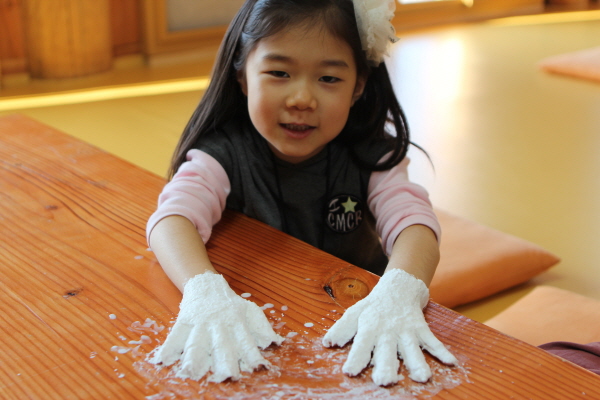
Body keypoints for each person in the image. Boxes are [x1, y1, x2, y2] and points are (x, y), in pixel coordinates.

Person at [146, 0, 457, 387]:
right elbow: (172, 219)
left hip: (363, 321)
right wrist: (203, 292)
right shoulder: (223, 153)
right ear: (242, 76)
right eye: (279, 73)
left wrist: (400, 292)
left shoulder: (370, 153)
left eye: (328, 78)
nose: (301, 99)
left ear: (358, 86)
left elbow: (414, 222)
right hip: (258, 322)